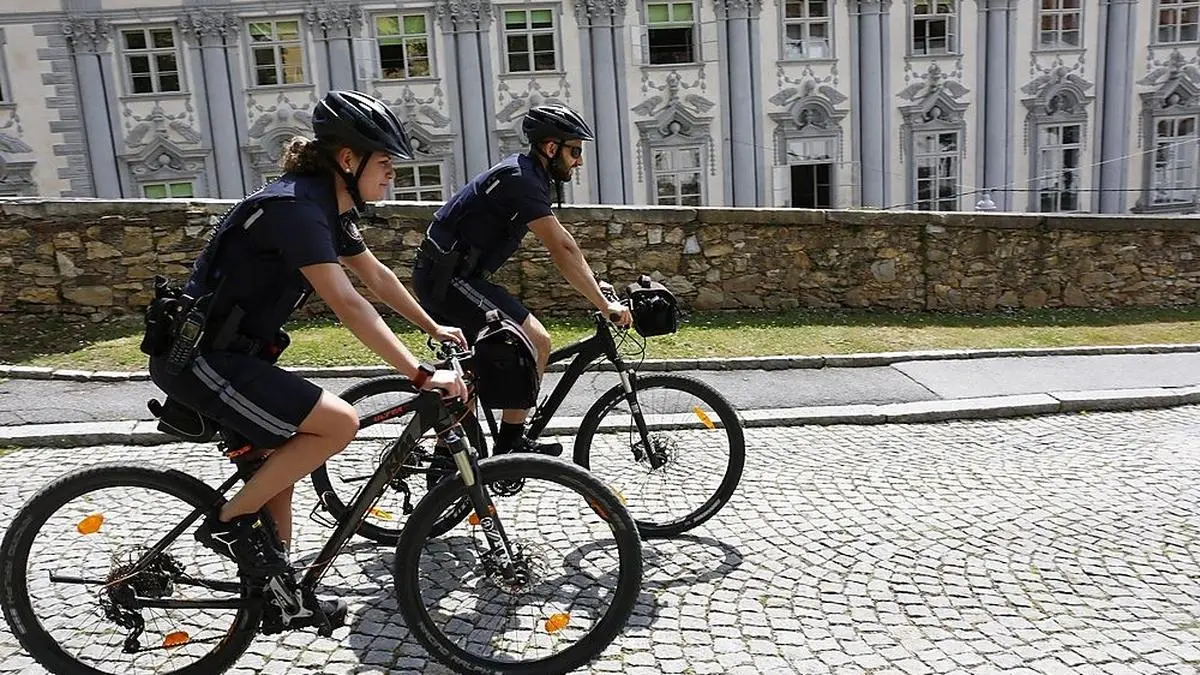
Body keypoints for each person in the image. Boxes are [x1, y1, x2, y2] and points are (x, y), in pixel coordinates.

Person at [148, 90, 467, 628]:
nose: (391, 176)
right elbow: (347, 300)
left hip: (233, 357)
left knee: (281, 463)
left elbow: (378, 278)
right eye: (385, 164)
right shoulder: (294, 208)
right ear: (349, 160)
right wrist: (418, 372)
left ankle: (279, 588)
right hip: (198, 358)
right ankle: (229, 522)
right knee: (338, 423)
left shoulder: (324, 207)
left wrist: (431, 326)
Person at [411, 104, 632, 456]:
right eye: (574, 151)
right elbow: (561, 247)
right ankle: (511, 445)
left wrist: (596, 288)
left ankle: (448, 460)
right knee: (535, 339)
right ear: (550, 148)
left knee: (473, 374)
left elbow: (563, 250)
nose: (578, 161)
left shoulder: (531, 176)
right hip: (448, 279)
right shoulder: (520, 178)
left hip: (458, 277)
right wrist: (603, 305)